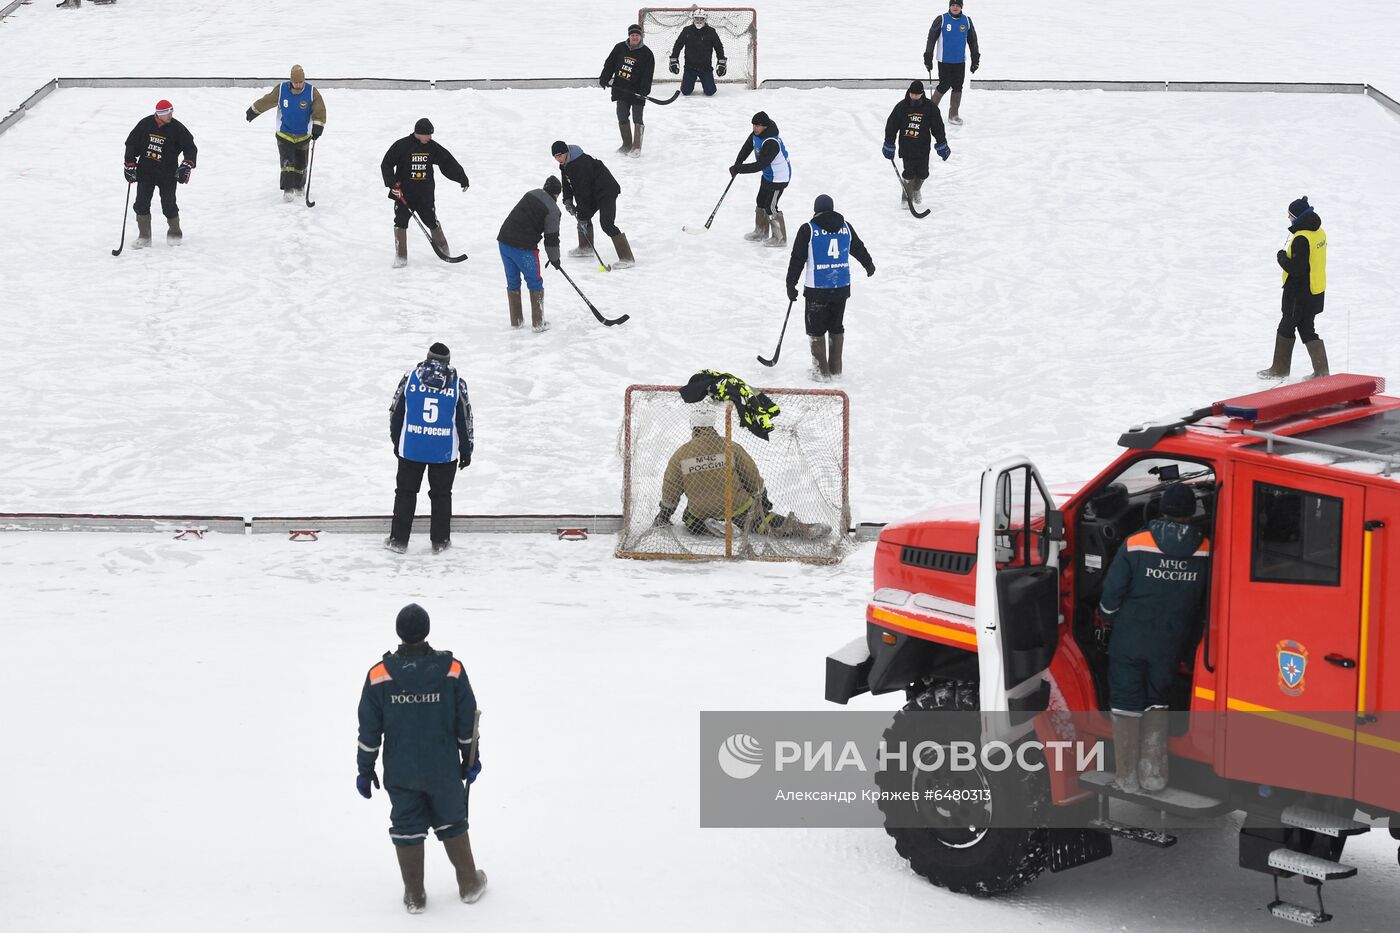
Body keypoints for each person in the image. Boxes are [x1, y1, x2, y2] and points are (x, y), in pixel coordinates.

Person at [356, 603, 486, 912]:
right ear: (426, 631)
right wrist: (471, 759)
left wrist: (365, 769)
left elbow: (369, 729)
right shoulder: (452, 669)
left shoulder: (379, 675)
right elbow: (466, 722)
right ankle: (469, 883)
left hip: (401, 771)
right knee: (452, 819)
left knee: (406, 824)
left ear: (399, 633)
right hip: (442, 769)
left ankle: (414, 895)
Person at [1098, 483, 1210, 794]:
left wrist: (1106, 617)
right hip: (1171, 642)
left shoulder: (1136, 543)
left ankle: (1126, 779)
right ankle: (1154, 776)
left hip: (1131, 637)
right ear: (1191, 513)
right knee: (1157, 700)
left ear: (1161, 510)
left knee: (1125, 701)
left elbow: (1112, 592)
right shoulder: (1206, 549)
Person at [654, 405, 830, 541]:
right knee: (761, 520)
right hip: (738, 508)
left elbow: (671, 488)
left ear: (693, 427)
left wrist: (664, 515)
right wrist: (762, 498)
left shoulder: (680, 454)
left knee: (690, 519)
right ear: (713, 425)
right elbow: (751, 476)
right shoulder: (730, 447)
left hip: (702, 511)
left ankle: (711, 526)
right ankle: (802, 528)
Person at [386, 343, 474, 554]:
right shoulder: (457, 384)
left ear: (427, 358)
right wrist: (466, 450)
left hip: (412, 447)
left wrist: (397, 441)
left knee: (406, 493)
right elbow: (465, 419)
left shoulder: (410, 379)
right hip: (443, 451)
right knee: (442, 495)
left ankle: (398, 540)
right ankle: (440, 541)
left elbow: (395, 412)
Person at [785, 194, 876, 380]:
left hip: (817, 289)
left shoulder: (808, 229)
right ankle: (835, 369)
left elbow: (797, 259)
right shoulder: (846, 228)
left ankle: (821, 372)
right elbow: (858, 248)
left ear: (816, 210)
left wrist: (790, 283)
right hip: (841, 286)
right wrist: (868, 264)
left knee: (816, 329)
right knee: (836, 326)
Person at [380, 118, 470, 268]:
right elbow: (386, 164)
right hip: (404, 196)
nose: (430, 138)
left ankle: (444, 250)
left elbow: (447, 162)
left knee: (431, 221)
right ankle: (401, 257)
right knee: (400, 223)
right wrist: (391, 184)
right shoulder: (401, 146)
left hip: (425, 196)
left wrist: (462, 179)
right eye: (428, 135)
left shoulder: (432, 147)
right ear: (419, 133)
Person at [1258, 196, 1329, 380]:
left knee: (1286, 326)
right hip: (1316, 290)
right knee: (1307, 328)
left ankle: (1279, 369)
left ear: (1297, 217)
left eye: (1290, 216)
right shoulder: (1319, 232)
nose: (1289, 220)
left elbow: (1296, 269)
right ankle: (1322, 372)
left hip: (1298, 293)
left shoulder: (1301, 238)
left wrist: (1281, 257)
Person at [245, 64, 326, 201]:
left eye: (301, 82)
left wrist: (318, 126)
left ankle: (299, 186)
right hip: (284, 133)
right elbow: (268, 100)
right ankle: (288, 189)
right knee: (287, 163)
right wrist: (254, 109)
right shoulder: (282, 90)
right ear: (290, 80)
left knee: (301, 164)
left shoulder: (312, 92)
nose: (298, 85)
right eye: (295, 82)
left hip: (303, 135)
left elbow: (320, 110)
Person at [122, 99, 197, 248]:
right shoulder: (145, 124)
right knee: (141, 204)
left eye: (171, 112)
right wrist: (129, 164)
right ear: (158, 114)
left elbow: (190, 147)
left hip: (168, 174)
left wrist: (187, 164)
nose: (170, 115)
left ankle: (175, 233)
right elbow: (131, 143)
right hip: (146, 172)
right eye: (166, 113)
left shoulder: (177, 128)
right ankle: (144, 237)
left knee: (168, 204)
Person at [553, 140, 635, 269]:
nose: (558, 159)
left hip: (606, 191)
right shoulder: (566, 164)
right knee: (582, 216)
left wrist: (582, 215)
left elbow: (582, 191)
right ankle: (585, 248)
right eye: (555, 157)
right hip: (593, 192)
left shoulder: (580, 163)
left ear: (567, 152)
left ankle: (627, 257)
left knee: (606, 223)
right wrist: (567, 200)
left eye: (560, 155)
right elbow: (567, 183)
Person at [496, 177, 564, 332]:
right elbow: (551, 238)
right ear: (557, 193)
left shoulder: (531, 193)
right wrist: (555, 259)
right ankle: (538, 323)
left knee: (513, 282)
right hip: (523, 248)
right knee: (534, 282)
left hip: (504, 241)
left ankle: (516, 321)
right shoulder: (553, 210)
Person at [882, 80, 950, 207]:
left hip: (923, 147)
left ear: (922, 94)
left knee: (923, 173)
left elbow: (938, 127)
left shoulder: (930, 107)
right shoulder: (901, 107)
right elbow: (891, 126)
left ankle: (916, 189)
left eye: (916, 94)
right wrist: (889, 144)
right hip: (907, 147)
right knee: (909, 173)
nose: (914, 97)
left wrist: (942, 143)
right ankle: (906, 200)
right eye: (912, 94)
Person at [730, 111, 792, 247]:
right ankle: (761, 231)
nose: (755, 128)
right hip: (768, 175)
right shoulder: (756, 135)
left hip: (779, 177)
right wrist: (737, 164)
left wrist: (740, 169)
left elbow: (760, 165)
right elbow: (746, 148)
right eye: (753, 125)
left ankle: (779, 238)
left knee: (770, 205)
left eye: (758, 126)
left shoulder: (771, 142)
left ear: (764, 126)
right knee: (760, 201)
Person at [600, 24, 655, 155]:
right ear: (629, 36)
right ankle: (626, 144)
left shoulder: (647, 53)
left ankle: (636, 147)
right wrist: (604, 78)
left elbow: (648, 75)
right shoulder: (619, 48)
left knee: (637, 117)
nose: (634, 37)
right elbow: (609, 64)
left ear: (641, 36)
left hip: (637, 92)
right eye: (632, 35)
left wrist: (643, 91)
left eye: (637, 35)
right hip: (621, 90)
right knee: (622, 116)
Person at [923, 0, 980, 125]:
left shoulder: (967, 21)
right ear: (949, 6)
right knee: (944, 85)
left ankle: (953, 115)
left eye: (957, 5)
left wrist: (975, 58)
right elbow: (931, 38)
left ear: (961, 7)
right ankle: (930, 112)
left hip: (959, 61)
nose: (955, 7)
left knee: (958, 86)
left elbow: (973, 41)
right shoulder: (941, 19)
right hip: (944, 60)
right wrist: (928, 55)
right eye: (953, 5)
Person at [668, 9, 727, 97]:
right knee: (686, 92)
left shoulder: (711, 31)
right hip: (690, 67)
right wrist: (674, 59)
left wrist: (721, 61)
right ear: (693, 19)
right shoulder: (687, 30)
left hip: (705, 67)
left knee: (710, 92)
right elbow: (678, 45)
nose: (699, 21)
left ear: (705, 19)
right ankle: (685, 83)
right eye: (697, 18)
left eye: (701, 19)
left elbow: (718, 47)